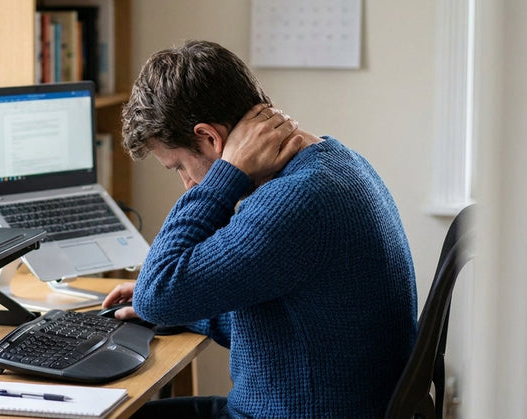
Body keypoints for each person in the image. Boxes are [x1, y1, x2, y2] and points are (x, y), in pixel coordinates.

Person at [102, 40, 417, 418]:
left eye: (179, 167)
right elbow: (276, 318)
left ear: (210, 138)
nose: (187, 184)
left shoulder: (296, 200)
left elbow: (156, 294)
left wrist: (224, 177)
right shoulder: (337, 162)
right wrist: (185, 310)